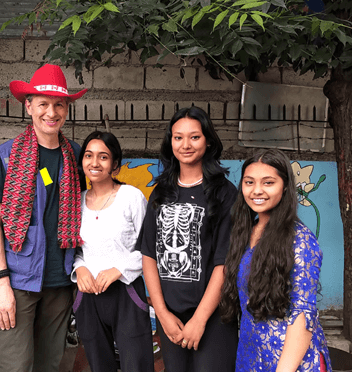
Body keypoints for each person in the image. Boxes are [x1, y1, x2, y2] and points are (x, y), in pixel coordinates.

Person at [0, 64, 87, 372]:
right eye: (43, 104)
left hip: (60, 280)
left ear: (66, 109)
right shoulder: (5, 156)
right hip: (17, 280)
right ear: (28, 106)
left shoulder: (76, 155)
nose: (51, 112)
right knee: (14, 366)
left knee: (49, 365)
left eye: (58, 105)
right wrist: (0, 283)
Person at [136, 106, 239, 372]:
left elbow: (224, 262)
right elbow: (149, 255)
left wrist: (201, 319)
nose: (185, 144)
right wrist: (162, 313)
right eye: (178, 137)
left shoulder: (224, 193)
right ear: (170, 142)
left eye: (194, 137)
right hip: (170, 315)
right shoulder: (161, 192)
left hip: (213, 316)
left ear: (208, 141)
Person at [220, 149, 332, 372]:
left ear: (285, 187)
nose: (257, 190)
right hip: (250, 356)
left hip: (291, 362)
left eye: (268, 182)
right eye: (249, 182)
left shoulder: (300, 240)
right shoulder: (246, 232)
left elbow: (303, 316)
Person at [72, 131, 154, 372]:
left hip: (126, 293)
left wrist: (118, 269)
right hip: (88, 296)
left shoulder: (131, 197)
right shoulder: (77, 201)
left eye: (103, 157)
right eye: (88, 155)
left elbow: (149, 246)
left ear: (115, 166)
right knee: (99, 364)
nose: (94, 163)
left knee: (136, 364)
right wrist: (80, 268)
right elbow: (74, 248)